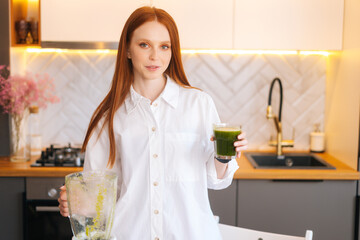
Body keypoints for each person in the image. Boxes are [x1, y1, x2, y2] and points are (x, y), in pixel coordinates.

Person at [58, 6, 248, 240]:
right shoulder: (109, 116)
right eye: (144, 45)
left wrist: (224, 155)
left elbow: (216, 180)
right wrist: (75, 203)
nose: (154, 56)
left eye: (164, 46)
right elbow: (98, 196)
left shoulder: (198, 104)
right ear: (127, 49)